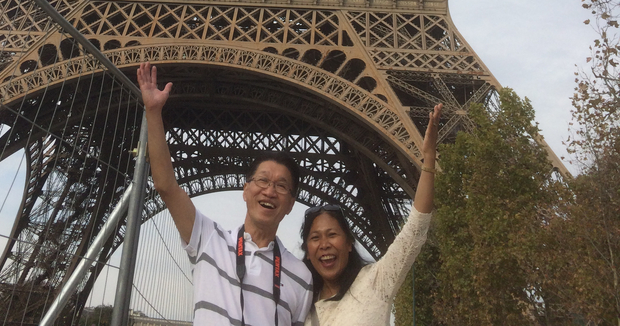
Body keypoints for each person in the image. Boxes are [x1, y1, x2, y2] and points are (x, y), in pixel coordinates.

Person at [137, 63, 313, 326]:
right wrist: (153, 112)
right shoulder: (209, 239)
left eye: (281, 186)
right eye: (262, 180)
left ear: (290, 203)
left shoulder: (301, 276)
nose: (269, 191)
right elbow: (166, 186)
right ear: (245, 189)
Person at [300, 104, 443, 326]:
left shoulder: (375, 282)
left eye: (332, 234)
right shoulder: (300, 308)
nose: (324, 244)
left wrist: (428, 160)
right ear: (307, 252)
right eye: (315, 237)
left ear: (349, 243)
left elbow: (415, 229)